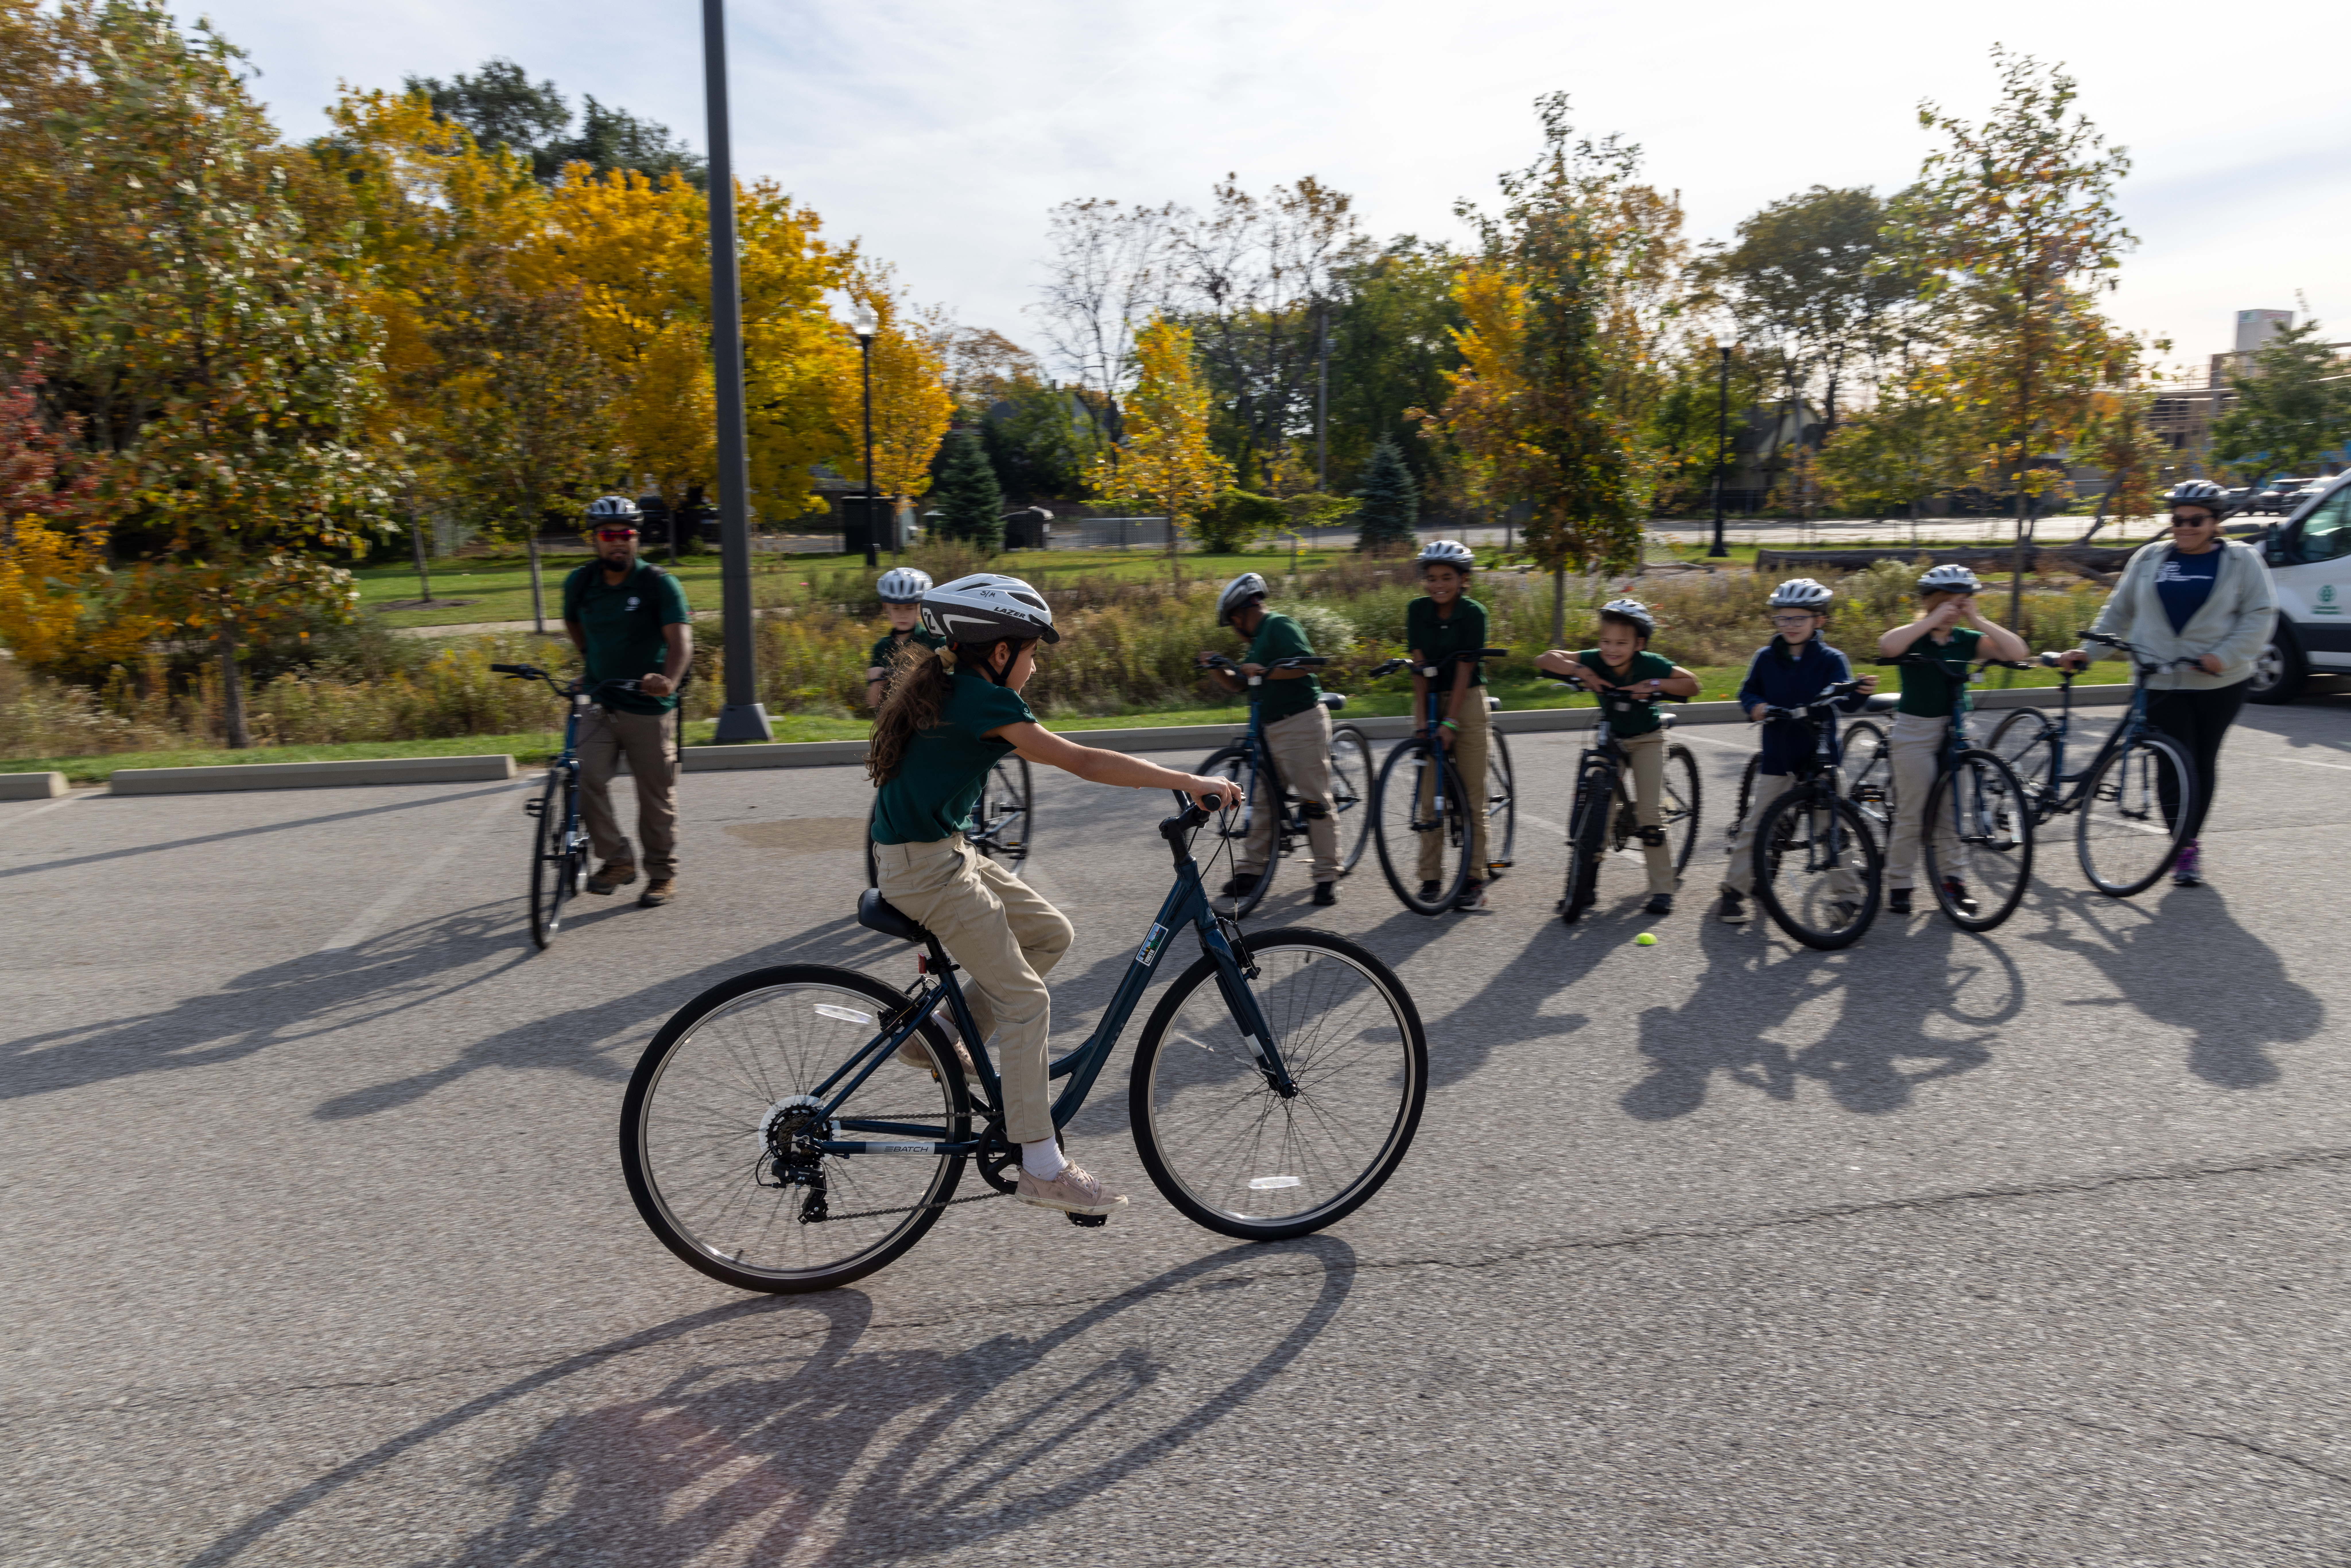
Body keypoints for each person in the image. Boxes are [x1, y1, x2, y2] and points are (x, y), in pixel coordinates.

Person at [867, 573, 1242, 1219]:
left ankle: (936, 1032)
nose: (1036, 665)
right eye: (1033, 650)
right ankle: (1041, 1164)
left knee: (1050, 933)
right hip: (926, 869)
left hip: (937, 854)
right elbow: (1084, 761)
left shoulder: (960, 687)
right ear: (999, 650)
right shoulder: (983, 701)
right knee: (1026, 1001)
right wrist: (1186, 779)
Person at [2052, 479, 2277, 886]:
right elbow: (2117, 612)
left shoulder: (2241, 560)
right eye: (2177, 520)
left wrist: (2223, 656)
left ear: (2215, 522)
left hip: (2218, 681)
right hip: (2158, 677)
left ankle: (2189, 842)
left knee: (2201, 761)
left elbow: (2260, 615)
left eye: (2196, 520)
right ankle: (2183, 846)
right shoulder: (2150, 557)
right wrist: (2089, 652)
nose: (2185, 527)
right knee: (2173, 761)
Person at [1712, 579, 1877, 924]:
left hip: (1821, 758)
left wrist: (1858, 691)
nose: (1789, 626)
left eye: (1798, 619)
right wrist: (1757, 707)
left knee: (1832, 827)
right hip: (1778, 756)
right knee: (1757, 823)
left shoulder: (1831, 659)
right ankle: (1733, 890)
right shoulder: (1765, 658)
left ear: (1819, 620)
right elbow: (1748, 693)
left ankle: (1847, 897)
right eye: (1782, 619)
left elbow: (1845, 700)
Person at [1874, 563, 2028, 915]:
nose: (1953, 610)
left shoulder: (1967, 639)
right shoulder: (1916, 635)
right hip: (1915, 730)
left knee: (1951, 809)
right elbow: (1886, 646)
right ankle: (1899, 882)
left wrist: (1978, 620)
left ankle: (1953, 881)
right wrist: (1930, 622)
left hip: (1957, 729)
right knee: (1913, 812)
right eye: (1945, 602)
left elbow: (2016, 652)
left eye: (1961, 603)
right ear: (1929, 603)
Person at [564, 496, 693, 908]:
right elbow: (573, 622)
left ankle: (661, 875)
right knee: (582, 778)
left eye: (625, 535)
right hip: (601, 702)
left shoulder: (658, 583)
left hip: (648, 707)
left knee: (655, 797)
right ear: (596, 540)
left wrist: (668, 681)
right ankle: (618, 860)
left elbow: (681, 642)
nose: (617, 543)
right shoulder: (581, 583)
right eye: (608, 535)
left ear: (636, 538)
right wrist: (591, 663)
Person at [1534, 598, 1702, 915]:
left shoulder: (1649, 663)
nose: (1611, 649)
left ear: (1639, 643)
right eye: (1605, 641)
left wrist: (1653, 685)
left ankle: (1662, 889)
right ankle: (1585, 888)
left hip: (1646, 739)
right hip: (1610, 735)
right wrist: (1581, 670)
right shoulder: (1596, 660)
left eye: (1621, 643)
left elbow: (1692, 684)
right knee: (1600, 811)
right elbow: (1544, 659)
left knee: (1650, 813)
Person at [1200, 573, 1341, 907]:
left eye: (1232, 624)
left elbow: (1304, 665)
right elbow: (1237, 684)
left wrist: (1265, 670)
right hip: (1267, 730)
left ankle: (1326, 876)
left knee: (1314, 801)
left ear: (1239, 615)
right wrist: (1215, 667)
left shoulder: (1279, 625)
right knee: (1261, 802)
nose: (1234, 631)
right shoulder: (1257, 640)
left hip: (1300, 722)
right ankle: (1251, 871)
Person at [1407, 541, 1499, 910]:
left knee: (1472, 797)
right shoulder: (1417, 610)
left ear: (1463, 580)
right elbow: (1418, 667)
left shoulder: (1473, 613)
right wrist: (1423, 721)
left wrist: (1450, 721)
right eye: (1431, 578)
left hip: (1468, 700)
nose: (1438, 585)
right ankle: (1430, 878)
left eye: (1447, 577)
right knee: (1430, 797)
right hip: (1430, 697)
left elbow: (1464, 669)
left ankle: (1474, 880)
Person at [865, 566, 939, 709]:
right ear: (886, 608)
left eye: (909, 608)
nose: (902, 615)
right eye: (896, 608)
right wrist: (877, 681)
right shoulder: (881, 647)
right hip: (893, 721)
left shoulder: (936, 641)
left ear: (920, 608)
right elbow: (874, 703)